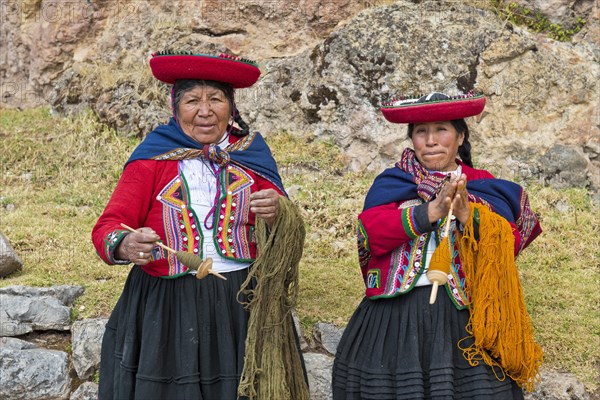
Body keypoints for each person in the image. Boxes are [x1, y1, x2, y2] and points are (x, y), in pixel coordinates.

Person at [92, 51, 308, 400]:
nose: (205, 111)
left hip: (241, 301)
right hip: (167, 302)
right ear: (175, 109)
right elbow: (108, 226)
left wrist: (277, 213)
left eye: (216, 99)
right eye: (192, 100)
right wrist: (125, 244)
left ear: (231, 107)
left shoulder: (251, 155)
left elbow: (288, 228)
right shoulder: (152, 159)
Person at [332, 91, 544, 399]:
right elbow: (370, 235)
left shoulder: (486, 186)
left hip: (466, 320)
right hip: (393, 319)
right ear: (412, 139)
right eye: (421, 131)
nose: (431, 140)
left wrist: (466, 215)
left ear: (460, 136)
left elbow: (508, 244)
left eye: (441, 129)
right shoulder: (391, 183)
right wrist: (428, 212)